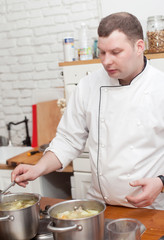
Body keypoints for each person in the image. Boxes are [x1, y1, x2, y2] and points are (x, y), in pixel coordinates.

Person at [12, 12, 164, 210]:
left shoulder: (160, 86)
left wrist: (161, 182)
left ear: (139, 47)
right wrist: (38, 168)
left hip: (152, 208)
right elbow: (68, 140)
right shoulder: (88, 86)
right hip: (99, 206)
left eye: (116, 52)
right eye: (102, 52)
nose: (106, 61)